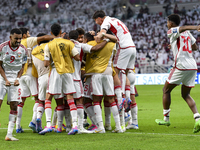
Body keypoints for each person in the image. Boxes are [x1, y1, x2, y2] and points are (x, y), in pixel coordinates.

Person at [155, 14, 200, 133]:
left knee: (166, 90)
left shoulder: (172, 30)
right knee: (186, 95)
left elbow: (182, 28)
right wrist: (175, 46)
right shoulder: (187, 34)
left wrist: (196, 27)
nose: (167, 23)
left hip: (181, 66)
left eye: (167, 21)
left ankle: (166, 119)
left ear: (171, 23)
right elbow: (195, 47)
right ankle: (197, 118)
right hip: (192, 66)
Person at [93, 10, 136, 131]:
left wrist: (99, 35)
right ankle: (126, 96)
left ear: (99, 18)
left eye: (96, 21)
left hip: (124, 47)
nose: (97, 23)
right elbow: (116, 36)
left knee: (115, 71)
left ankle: (121, 98)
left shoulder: (105, 22)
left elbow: (103, 31)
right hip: (132, 47)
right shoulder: (116, 20)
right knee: (125, 73)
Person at [39, 23, 80, 135]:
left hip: (56, 72)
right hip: (68, 72)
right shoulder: (69, 43)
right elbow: (77, 57)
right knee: (70, 98)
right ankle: (75, 125)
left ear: (51, 33)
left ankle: (48, 125)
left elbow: (46, 64)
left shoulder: (49, 45)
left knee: (48, 97)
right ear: (61, 32)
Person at [69, 30, 108, 133]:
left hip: (62, 77)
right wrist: (106, 40)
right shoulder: (81, 46)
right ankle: (80, 127)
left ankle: (63, 126)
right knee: (80, 101)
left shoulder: (64, 44)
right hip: (76, 77)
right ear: (78, 37)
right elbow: (95, 48)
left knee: (64, 102)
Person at [16, 27, 53, 133]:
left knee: (21, 101)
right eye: (28, 33)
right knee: (39, 99)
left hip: (20, 75)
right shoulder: (28, 42)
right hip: (31, 74)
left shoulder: (16, 45)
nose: (29, 35)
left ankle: (18, 126)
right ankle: (33, 121)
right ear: (23, 35)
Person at [83, 32, 122, 133]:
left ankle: (100, 127)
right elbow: (117, 39)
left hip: (96, 73)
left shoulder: (90, 44)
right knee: (111, 99)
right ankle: (118, 127)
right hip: (109, 72)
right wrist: (106, 39)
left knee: (96, 100)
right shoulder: (111, 44)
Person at [0, 28, 28, 141]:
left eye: (20, 38)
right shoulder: (2, 47)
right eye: (16, 38)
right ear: (10, 37)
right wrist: (5, 79)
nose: (18, 40)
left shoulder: (24, 50)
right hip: (2, 78)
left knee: (14, 105)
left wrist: (18, 78)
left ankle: (9, 134)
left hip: (15, 79)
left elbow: (22, 66)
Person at [31, 33, 51, 133]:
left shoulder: (33, 51)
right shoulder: (50, 48)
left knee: (41, 101)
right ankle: (58, 124)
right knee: (60, 102)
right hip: (52, 75)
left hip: (41, 77)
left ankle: (38, 117)